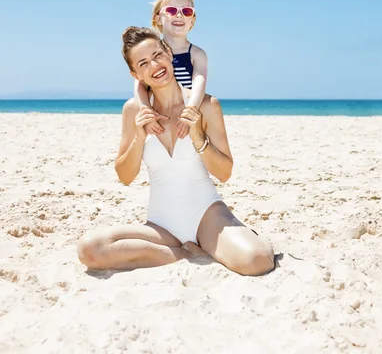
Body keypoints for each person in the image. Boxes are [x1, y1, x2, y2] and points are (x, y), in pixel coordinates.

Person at [77, 27, 274, 276]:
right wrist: (139, 137)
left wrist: (197, 136)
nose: (155, 65)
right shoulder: (132, 111)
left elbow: (224, 173)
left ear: (169, 53)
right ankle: (185, 252)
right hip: (161, 225)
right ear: (135, 74)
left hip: (207, 216)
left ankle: (235, 238)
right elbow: (125, 177)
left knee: (258, 261)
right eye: (143, 63)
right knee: (90, 249)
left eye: (158, 55)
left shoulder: (206, 105)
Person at [134, 0, 208, 140]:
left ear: (192, 20)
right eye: (171, 11)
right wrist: (146, 111)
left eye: (186, 11)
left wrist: (190, 112)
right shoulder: (150, 52)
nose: (179, 15)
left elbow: (199, 83)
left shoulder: (196, 54)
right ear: (157, 18)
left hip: (185, 117)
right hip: (159, 117)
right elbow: (139, 84)